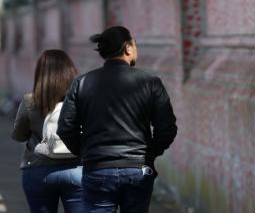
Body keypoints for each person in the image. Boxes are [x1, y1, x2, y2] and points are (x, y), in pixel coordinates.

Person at [57, 26, 177, 213]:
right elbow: (167, 128)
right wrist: (149, 153)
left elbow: (65, 127)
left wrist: (86, 153)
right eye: (135, 45)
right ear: (128, 47)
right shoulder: (150, 82)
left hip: (97, 169)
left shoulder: (81, 83)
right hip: (138, 169)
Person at [11, 50, 84, 213]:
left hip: (38, 169)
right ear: (71, 72)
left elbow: (18, 135)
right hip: (76, 168)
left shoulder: (30, 101)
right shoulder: (80, 99)